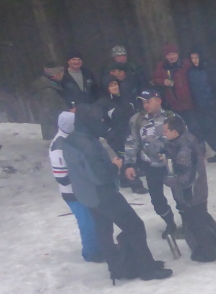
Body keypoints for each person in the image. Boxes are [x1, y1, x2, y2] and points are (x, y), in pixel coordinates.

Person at [62, 103, 172, 282]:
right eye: (99, 120)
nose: (102, 123)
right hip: (102, 194)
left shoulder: (71, 139)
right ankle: (146, 268)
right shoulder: (88, 145)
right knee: (135, 225)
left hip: (86, 195)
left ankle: (116, 268)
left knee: (104, 231)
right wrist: (115, 166)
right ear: (90, 120)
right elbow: (100, 176)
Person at [163, 115, 216, 262]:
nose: (164, 133)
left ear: (175, 132)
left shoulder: (185, 146)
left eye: (166, 131)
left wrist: (168, 179)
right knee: (202, 215)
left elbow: (185, 173)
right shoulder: (182, 141)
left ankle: (208, 252)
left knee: (196, 223)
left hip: (192, 191)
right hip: (197, 188)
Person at [123, 88, 180, 239]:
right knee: (157, 199)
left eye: (148, 101)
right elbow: (131, 142)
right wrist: (129, 164)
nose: (145, 105)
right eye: (143, 103)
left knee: (181, 195)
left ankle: (188, 222)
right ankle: (170, 223)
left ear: (158, 101)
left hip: (172, 165)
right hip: (151, 166)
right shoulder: (137, 119)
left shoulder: (171, 117)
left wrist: (174, 155)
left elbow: (184, 139)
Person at [49, 111, 103, 263]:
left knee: (93, 220)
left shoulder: (71, 139)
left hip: (83, 190)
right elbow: (62, 178)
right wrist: (83, 177)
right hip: (73, 194)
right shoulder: (58, 146)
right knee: (87, 223)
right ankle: (91, 253)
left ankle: (99, 247)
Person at [186, 50, 216, 167]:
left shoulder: (209, 69)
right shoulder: (191, 71)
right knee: (206, 131)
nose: (194, 60)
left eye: (196, 57)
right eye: (192, 58)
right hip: (199, 107)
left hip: (211, 105)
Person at [151, 44, 197, 133]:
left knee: (193, 126)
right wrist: (163, 81)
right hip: (173, 104)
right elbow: (155, 79)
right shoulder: (162, 66)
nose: (171, 57)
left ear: (178, 54)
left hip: (189, 102)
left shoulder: (186, 64)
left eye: (173, 54)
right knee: (178, 127)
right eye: (169, 54)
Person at [32, 63, 68, 139]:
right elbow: (50, 112)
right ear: (54, 75)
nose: (63, 74)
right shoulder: (49, 91)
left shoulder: (53, 86)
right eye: (61, 72)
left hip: (55, 129)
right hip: (54, 130)